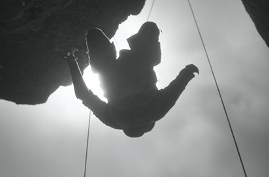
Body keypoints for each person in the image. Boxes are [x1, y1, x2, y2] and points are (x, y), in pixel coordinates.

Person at [65, 22, 199, 137]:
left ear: (148, 126)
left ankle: (142, 38)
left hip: (139, 68)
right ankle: (93, 34)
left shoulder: (157, 113)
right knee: (94, 35)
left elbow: (175, 89)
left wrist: (187, 73)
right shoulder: (115, 123)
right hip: (112, 74)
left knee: (150, 29)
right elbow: (83, 95)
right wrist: (71, 60)